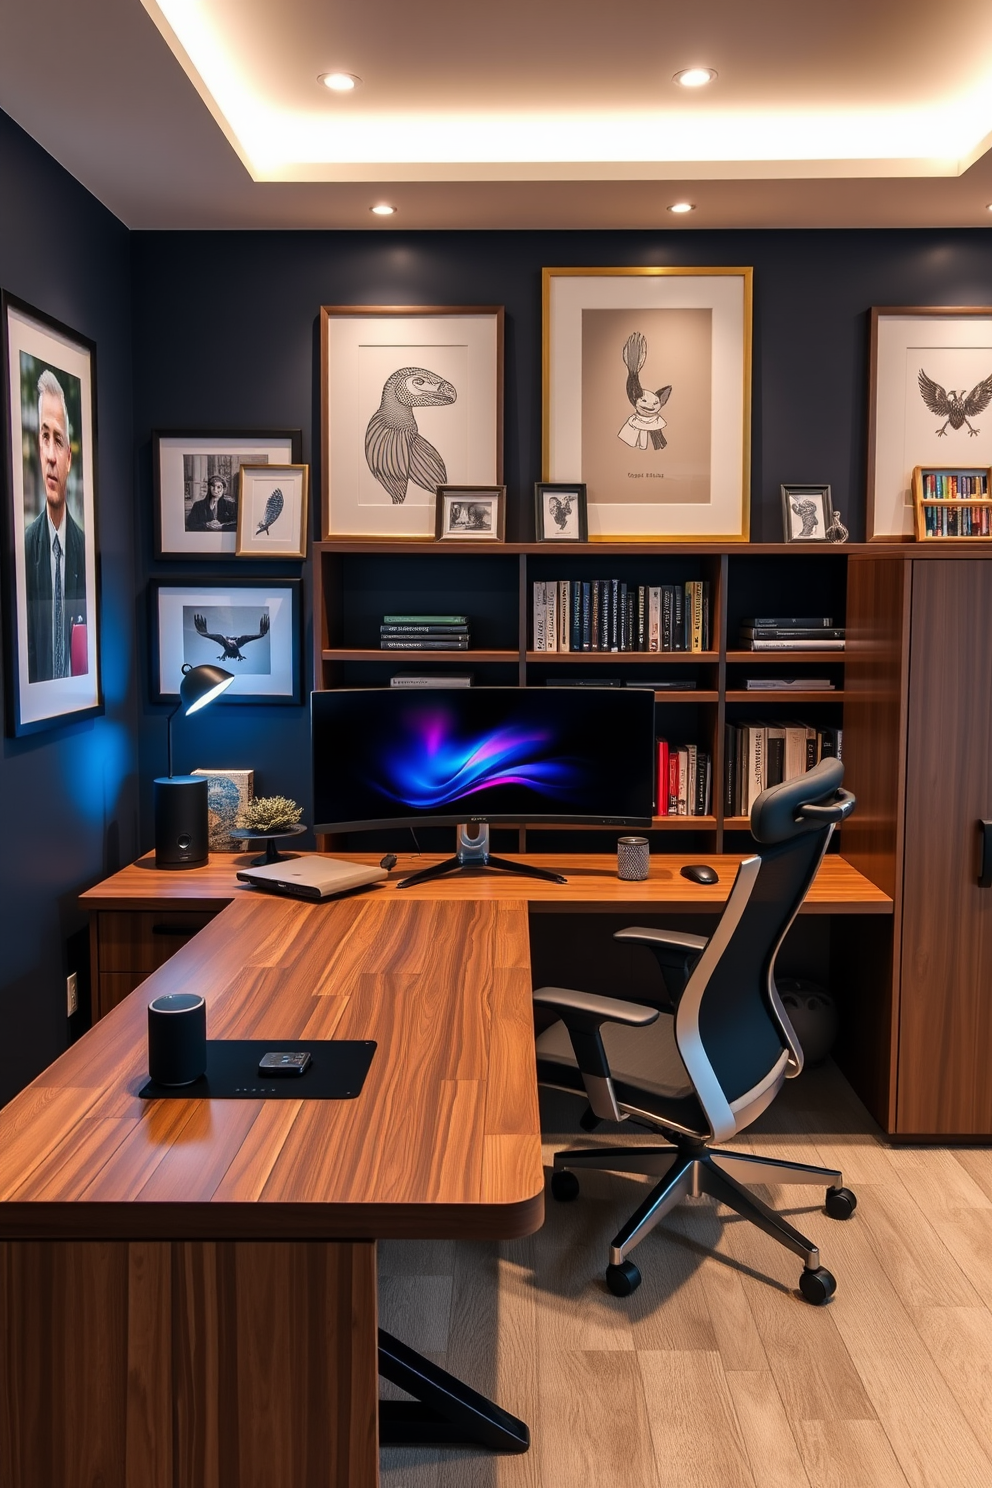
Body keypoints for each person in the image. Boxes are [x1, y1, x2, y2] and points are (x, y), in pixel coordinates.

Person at [24, 369, 86, 682]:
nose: (50, 455)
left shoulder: (86, 551)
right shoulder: (24, 550)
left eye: (57, 439)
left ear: (69, 458)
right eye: (44, 437)